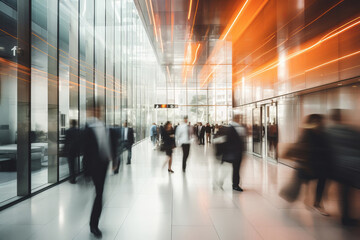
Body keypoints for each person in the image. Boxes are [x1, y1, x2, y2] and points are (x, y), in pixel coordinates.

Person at [82, 103, 113, 238]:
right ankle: (93, 225)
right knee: (99, 194)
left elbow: (106, 144)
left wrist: (113, 160)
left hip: (103, 164)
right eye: (96, 110)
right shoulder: (87, 128)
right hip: (94, 166)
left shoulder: (102, 125)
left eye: (100, 110)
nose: (99, 112)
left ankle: (94, 223)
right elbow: (85, 150)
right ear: (90, 111)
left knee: (100, 194)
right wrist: (86, 172)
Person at [326, 109, 360, 225]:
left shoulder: (327, 132)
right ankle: (346, 217)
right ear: (341, 117)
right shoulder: (351, 131)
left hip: (338, 166)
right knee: (347, 191)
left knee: (344, 192)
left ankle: (345, 217)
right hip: (354, 166)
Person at [222, 114, 246, 191]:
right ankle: (235, 185)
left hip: (228, 152)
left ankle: (220, 181)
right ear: (237, 118)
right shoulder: (240, 128)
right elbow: (242, 141)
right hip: (237, 152)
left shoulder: (226, 127)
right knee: (236, 169)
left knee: (226, 168)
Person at [64, 119, 80, 184]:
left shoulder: (68, 131)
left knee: (71, 165)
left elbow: (66, 141)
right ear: (76, 123)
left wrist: (65, 149)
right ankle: (74, 177)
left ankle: (72, 179)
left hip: (70, 150)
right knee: (75, 163)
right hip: (76, 149)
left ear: (71, 123)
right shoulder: (78, 130)